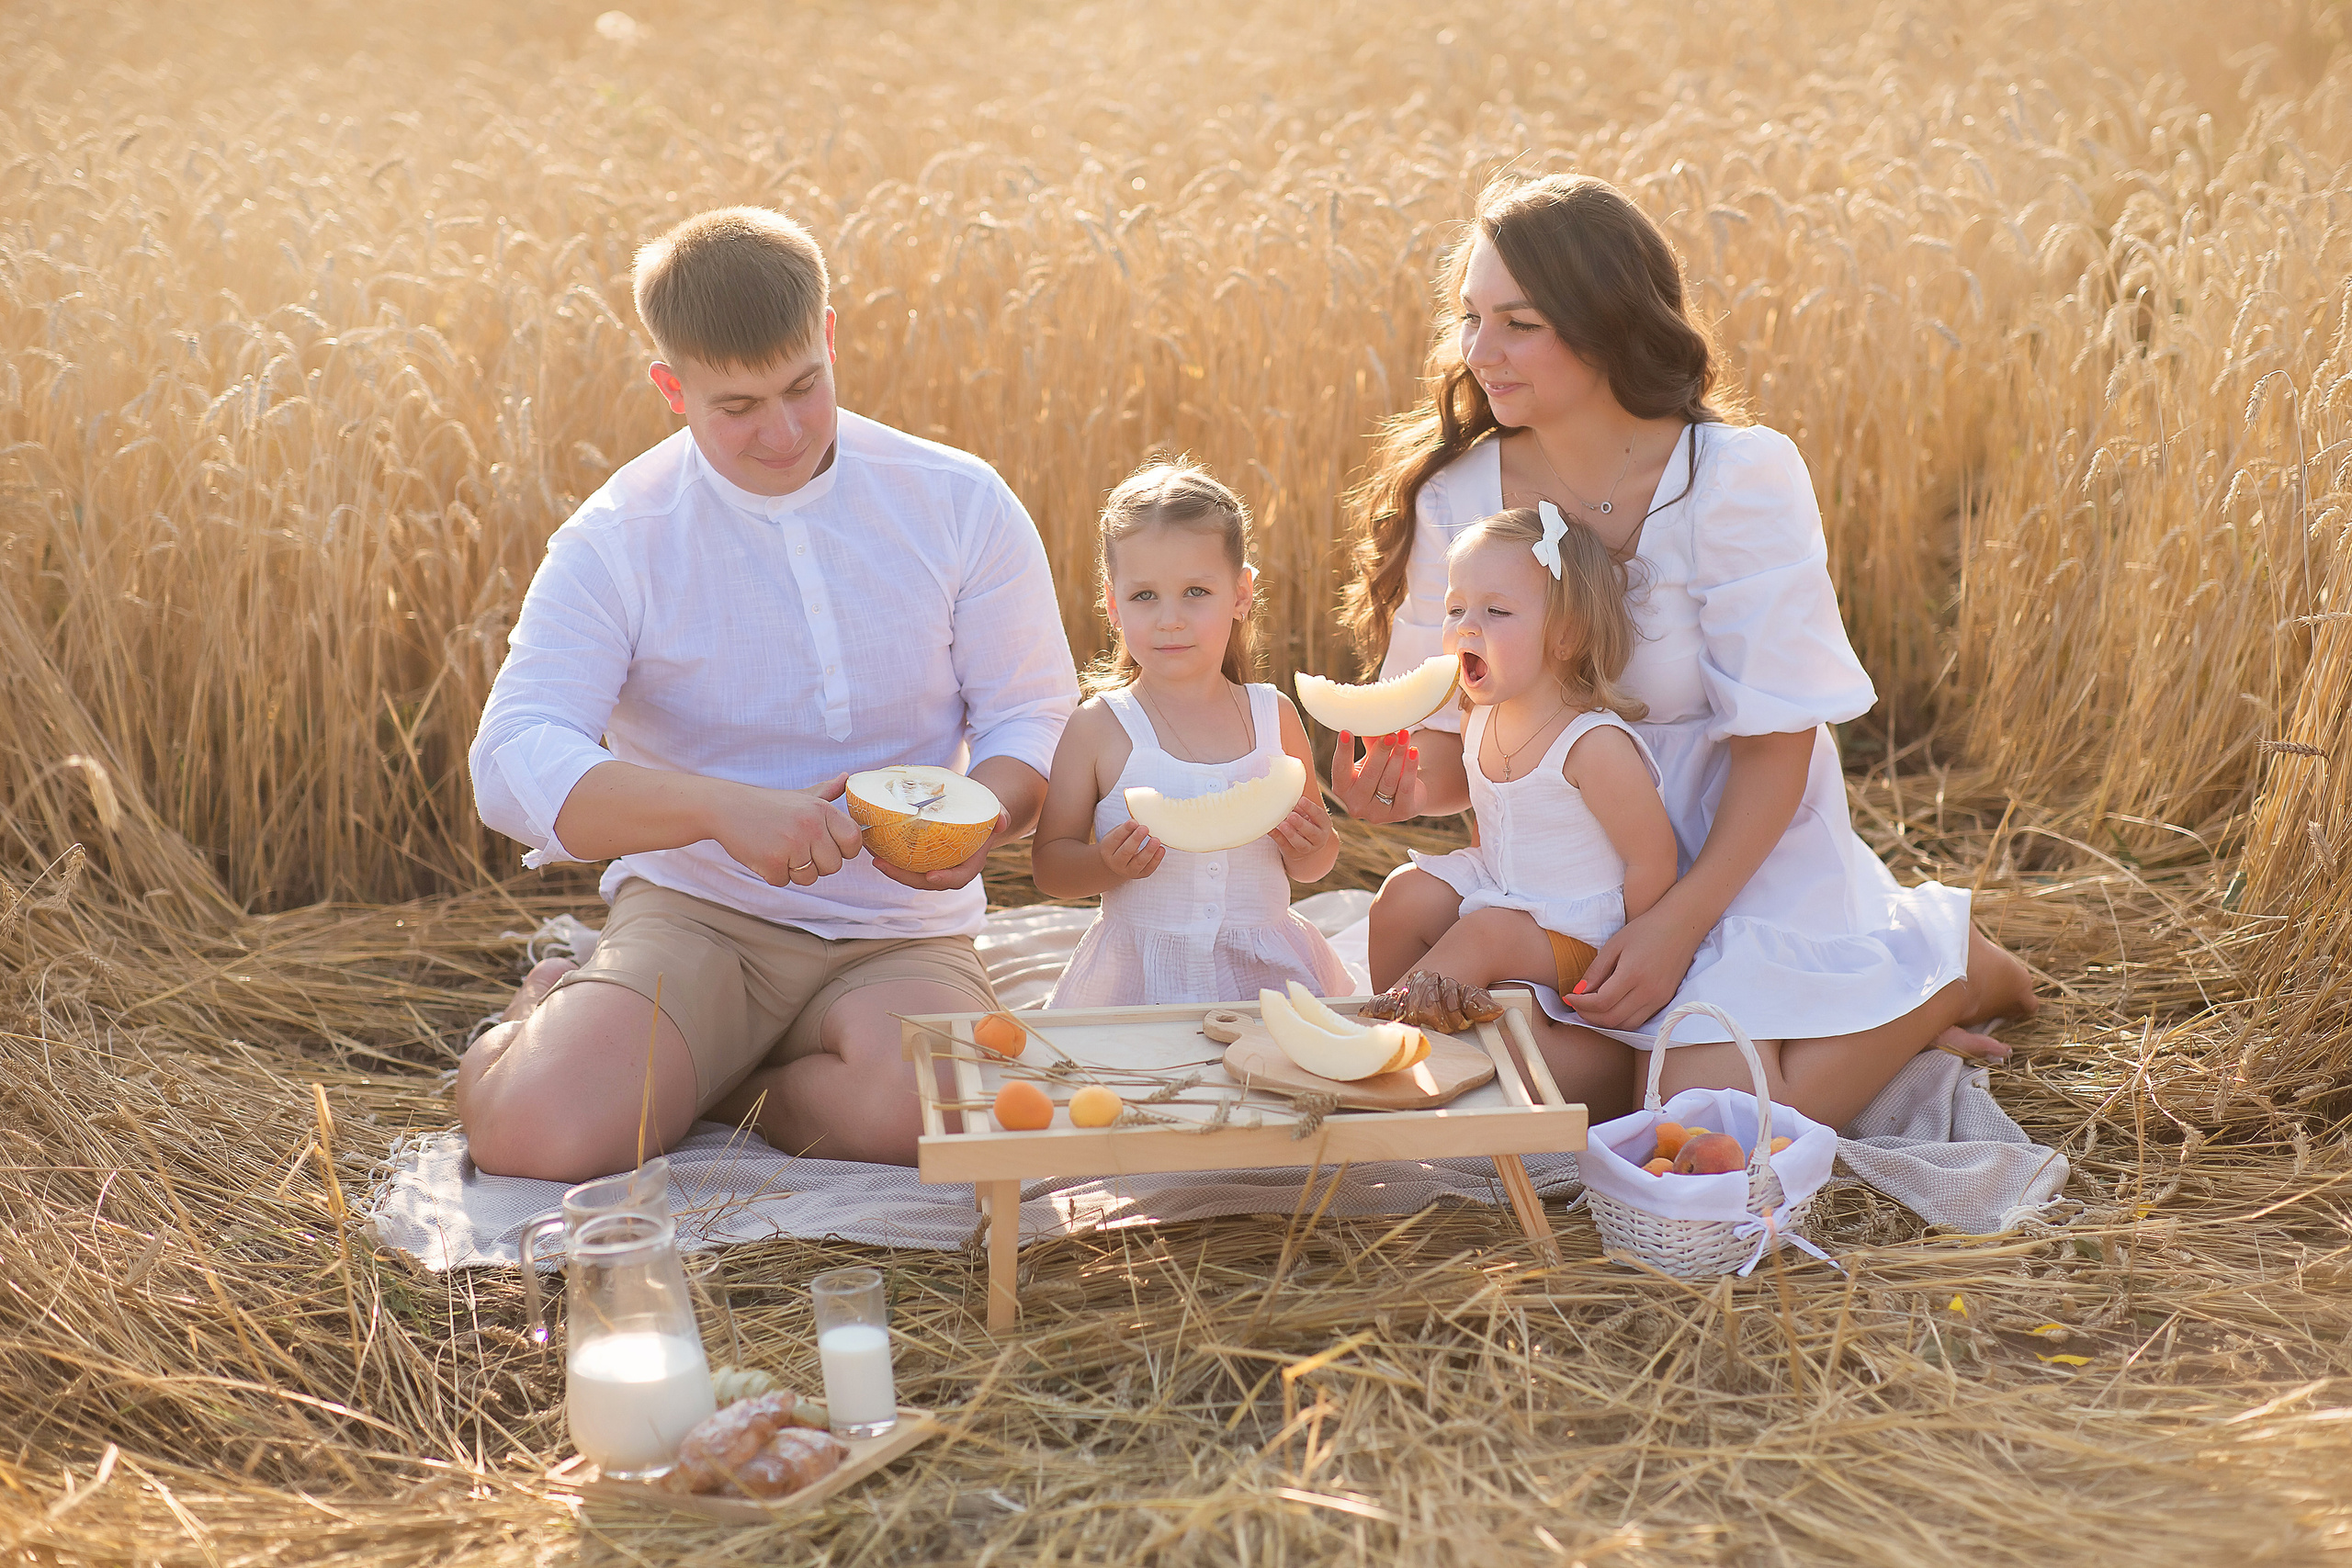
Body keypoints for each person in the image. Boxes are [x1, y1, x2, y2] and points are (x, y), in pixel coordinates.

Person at [1330, 173, 2036, 1129]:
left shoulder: (1738, 478)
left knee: (1703, 1117)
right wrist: (1401, 787)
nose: (1478, 353)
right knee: (1520, 1097)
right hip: (1567, 870)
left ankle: (1940, 974)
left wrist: (1674, 923)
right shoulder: (1455, 493)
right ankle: (1773, 1033)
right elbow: (1459, 749)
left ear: (1607, 325)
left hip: (1736, 849)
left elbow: (1776, 741)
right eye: (1470, 318)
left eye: (1519, 324)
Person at [458, 207, 1078, 1179]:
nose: (782, 432)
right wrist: (721, 811)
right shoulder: (616, 537)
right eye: (736, 406)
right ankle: (541, 1014)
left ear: (829, 338)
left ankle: (718, 1082)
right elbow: (508, 761)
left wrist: (985, 820)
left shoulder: (960, 500)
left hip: (898, 934)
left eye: (803, 386)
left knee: (948, 1118)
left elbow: (1033, 712)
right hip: (697, 914)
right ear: (672, 388)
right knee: (539, 1134)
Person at [1033, 460, 1349, 1006]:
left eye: (1196, 592)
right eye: (1144, 596)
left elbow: (1313, 862)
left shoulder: (1274, 718)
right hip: (1138, 984)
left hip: (1265, 982)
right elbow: (1050, 866)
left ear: (1241, 594)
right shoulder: (1098, 727)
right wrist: (1105, 865)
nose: (1170, 619)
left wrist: (1315, 846)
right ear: (1112, 604)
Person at [1359, 502, 1679, 1035]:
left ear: (1567, 635)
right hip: (1506, 893)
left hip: (1581, 934)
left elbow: (1654, 860)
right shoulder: (1479, 718)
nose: (1466, 628)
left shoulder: (1593, 744)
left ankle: (1386, 1042)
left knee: (1486, 935)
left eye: (1496, 613)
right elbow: (1491, 827)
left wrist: (1631, 956)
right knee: (1402, 896)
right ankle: (1395, 1016)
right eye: (1456, 609)